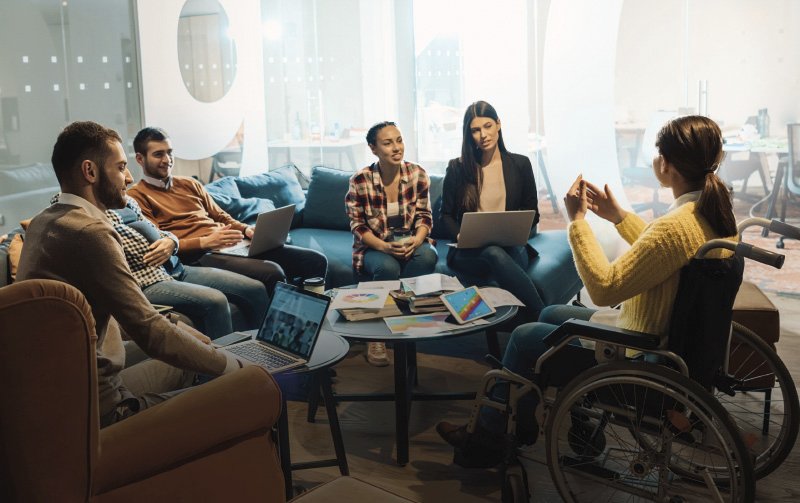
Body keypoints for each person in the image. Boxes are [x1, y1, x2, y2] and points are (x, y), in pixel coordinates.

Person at [437, 115, 738, 467]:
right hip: (661, 337)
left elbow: (605, 287)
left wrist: (577, 222)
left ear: (667, 165)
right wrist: (618, 217)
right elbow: (663, 255)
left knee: (523, 337)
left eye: (658, 154)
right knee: (549, 315)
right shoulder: (706, 211)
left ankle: (487, 441)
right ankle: (538, 424)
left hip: (637, 351)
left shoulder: (674, 226)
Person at [16, 121, 245, 427]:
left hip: (61, 391)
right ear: (90, 171)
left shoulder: (45, 222)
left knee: (192, 348)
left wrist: (175, 325)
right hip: (102, 406)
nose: (128, 177)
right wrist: (234, 365)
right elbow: (149, 333)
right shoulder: (90, 232)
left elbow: (95, 316)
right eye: (121, 167)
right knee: (235, 388)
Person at [126, 127, 327, 294]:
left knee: (315, 261)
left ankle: (309, 317)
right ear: (140, 159)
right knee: (272, 272)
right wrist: (205, 242)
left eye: (169, 152)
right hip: (202, 255)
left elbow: (220, 216)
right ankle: (282, 327)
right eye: (158, 154)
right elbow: (160, 242)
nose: (167, 159)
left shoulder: (189, 183)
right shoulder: (137, 196)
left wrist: (246, 230)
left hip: (232, 243)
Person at [345, 121, 437, 366]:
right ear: (373, 148)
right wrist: (384, 247)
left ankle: (405, 316)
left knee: (428, 256)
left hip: (410, 241)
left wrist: (417, 240)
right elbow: (358, 226)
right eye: (388, 143)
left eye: (399, 140)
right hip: (376, 245)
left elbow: (424, 216)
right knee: (387, 268)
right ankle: (375, 334)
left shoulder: (417, 173)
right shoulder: (360, 180)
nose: (397, 148)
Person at [440, 101, 542, 320]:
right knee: (492, 252)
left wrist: (518, 229)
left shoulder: (520, 164)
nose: (483, 134)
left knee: (497, 260)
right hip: (468, 253)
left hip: (512, 248)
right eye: (475, 130)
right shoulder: (458, 168)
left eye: (487, 126)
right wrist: (460, 235)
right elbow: (445, 215)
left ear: (498, 124)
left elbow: (533, 213)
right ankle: (542, 317)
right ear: (469, 134)